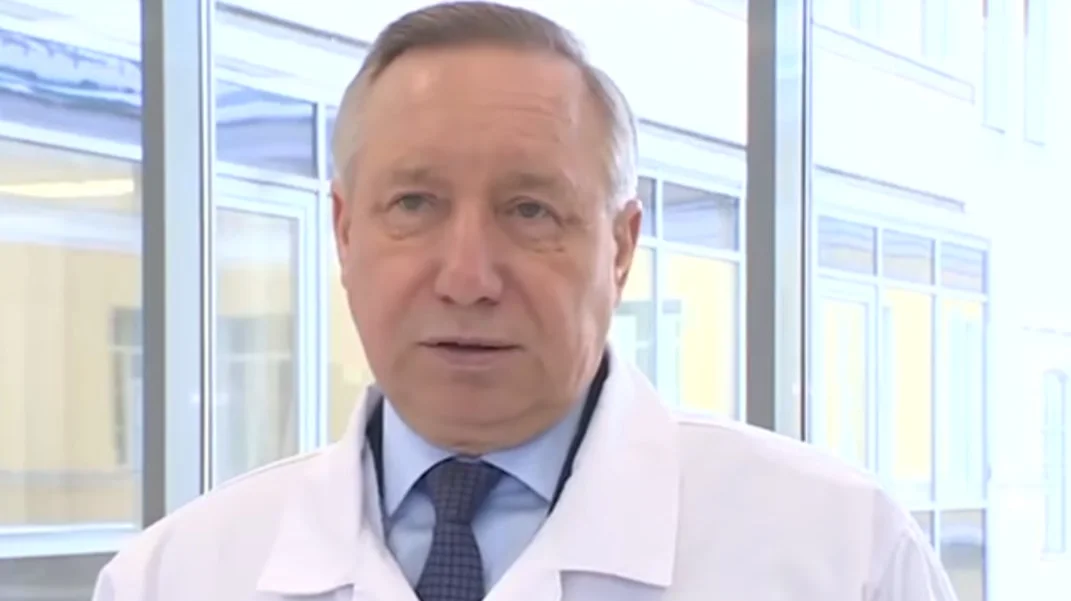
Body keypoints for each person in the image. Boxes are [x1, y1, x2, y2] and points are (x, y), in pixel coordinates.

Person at [91, 2, 959, 600]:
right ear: (344, 233)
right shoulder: (176, 576)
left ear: (619, 247)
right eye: (414, 204)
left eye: (530, 210)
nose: (468, 277)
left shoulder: (840, 553)